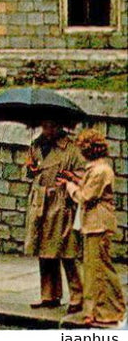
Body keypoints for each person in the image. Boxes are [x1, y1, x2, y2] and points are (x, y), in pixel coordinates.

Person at [61, 129, 124, 328]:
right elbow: (90, 188)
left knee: (99, 270)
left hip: (99, 224)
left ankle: (110, 311)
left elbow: (85, 196)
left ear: (88, 150)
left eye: (82, 148)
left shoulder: (99, 171)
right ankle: (97, 311)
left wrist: (69, 186)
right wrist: (75, 179)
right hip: (93, 224)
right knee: (93, 269)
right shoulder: (97, 169)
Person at [25, 120, 84, 314]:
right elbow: (29, 172)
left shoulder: (71, 148)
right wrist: (29, 169)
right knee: (44, 249)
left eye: (51, 126)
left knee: (66, 251)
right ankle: (49, 295)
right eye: (44, 126)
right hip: (40, 201)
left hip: (61, 202)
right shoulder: (35, 145)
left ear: (60, 126)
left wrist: (70, 177)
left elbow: (82, 174)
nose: (47, 130)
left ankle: (77, 296)